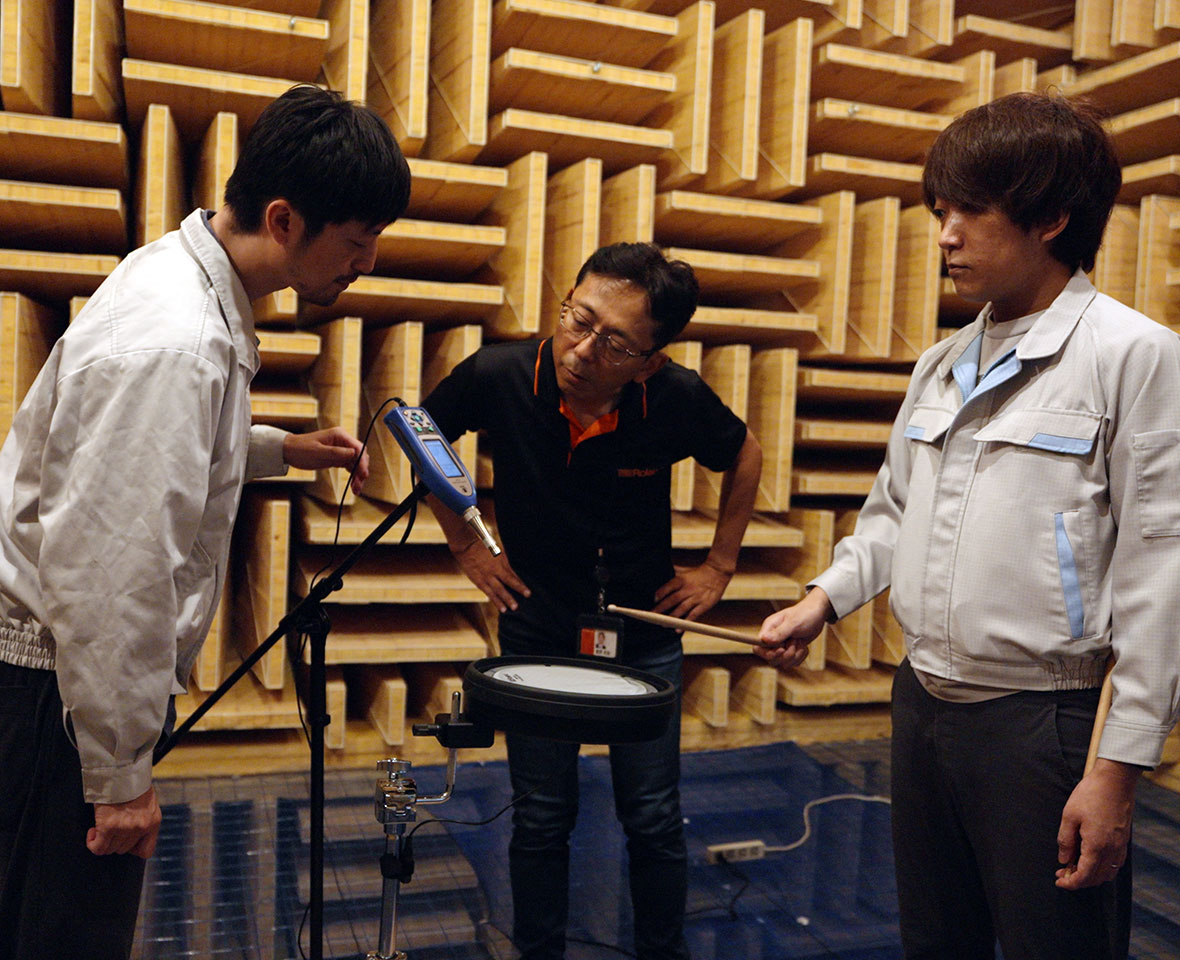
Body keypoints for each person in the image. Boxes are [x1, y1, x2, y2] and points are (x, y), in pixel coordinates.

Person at [757, 91, 1180, 959]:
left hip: (1045, 721)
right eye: (939, 212)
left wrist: (1117, 769)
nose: (945, 236)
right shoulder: (940, 365)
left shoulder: (1135, 356)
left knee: (1055, 946)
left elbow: (1160, 573)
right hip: (922, 703)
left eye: (969, 213)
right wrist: (822, 601)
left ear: (1051, 218)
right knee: (936, 941)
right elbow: (893, 512)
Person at [0, 84, 411, 959]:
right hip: (56, 701)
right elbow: (111, 575)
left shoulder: (181, 278)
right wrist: (118, 775)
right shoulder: (177, 341)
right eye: (357, 240)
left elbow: (154, 454)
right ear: (284, 219)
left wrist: (279, 449)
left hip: (54, 691)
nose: (367, 262)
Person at [423, 242, 762, 959]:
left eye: (614, 343)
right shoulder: (499, 373)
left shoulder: (675, 397)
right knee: (542, 817)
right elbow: (425, 436)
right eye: (578, 319)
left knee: (653, 817)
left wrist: (720, 566)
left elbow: (745, 454)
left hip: (644, 636)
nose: (581, 350)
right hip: (538, 628)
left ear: (650, 360)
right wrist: (467, 547)